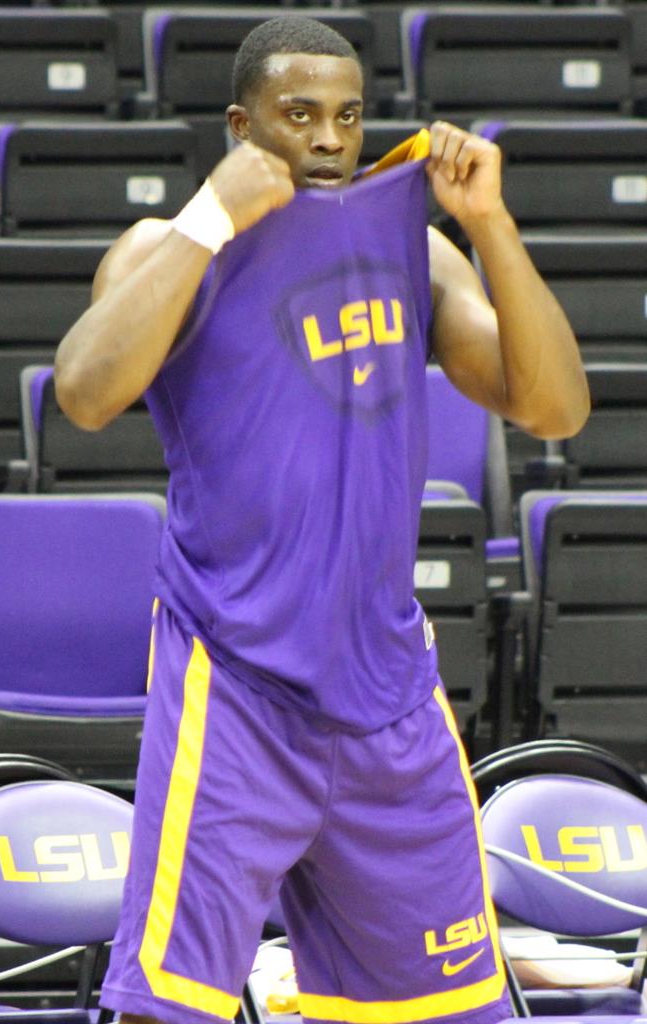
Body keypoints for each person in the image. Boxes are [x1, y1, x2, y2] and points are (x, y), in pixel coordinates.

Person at [54, 15, 589, 1024]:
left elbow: (553, 407)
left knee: (452, 1010)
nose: (331, 139)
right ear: (240, 124)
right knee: (162, 1010)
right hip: (238, 688)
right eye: (298, 114)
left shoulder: (414, 253)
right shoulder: (165, 248)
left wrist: (488, 224)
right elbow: (83, 393)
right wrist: (212, 216)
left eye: (347, 114)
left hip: (389, 696)